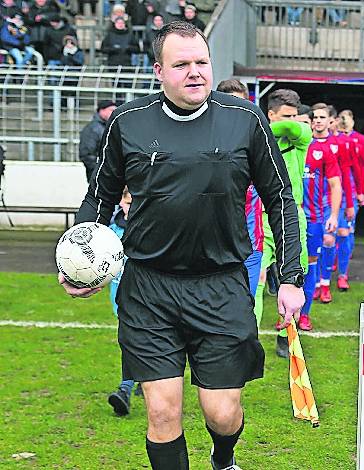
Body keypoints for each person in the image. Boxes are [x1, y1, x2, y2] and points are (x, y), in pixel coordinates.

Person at [60, 22, 306, 470]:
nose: (195, 73)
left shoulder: (245, 120)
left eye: (202, 63)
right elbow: (100, 195)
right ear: (159, 70)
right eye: (182, 65)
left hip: (221, 285)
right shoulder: (128, 123)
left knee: (223, 413)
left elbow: (281, 199)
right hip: (149, 288)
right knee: (162, 411)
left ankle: (223, 457)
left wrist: (289, 277)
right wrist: (80, 257)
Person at [264, 89, 312, 351]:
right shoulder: (259, 138)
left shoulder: (301, 134)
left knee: (294, 279)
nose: (294, 121)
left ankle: (287, 337)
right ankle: (246, 339)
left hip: (293, 216)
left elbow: (294, 131)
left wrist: (265, 126)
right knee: (254, 278)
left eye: (296, 115)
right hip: (261, 216)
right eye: (286, 116)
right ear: (271, 113)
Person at [300, 102, 342, 331]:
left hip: (313, 218)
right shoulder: (282, 147)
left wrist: (334, 215)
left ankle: (304, 314)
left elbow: (336, 184)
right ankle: (285, 312)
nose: (314, 122)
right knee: (281, 266)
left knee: (309, 264)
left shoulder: (322, 150)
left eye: (315, 119)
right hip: (285, 216)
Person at [317, 104, 359, 302]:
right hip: (314, 200)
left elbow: (346, 174)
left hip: (335, 199)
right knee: (320, 242)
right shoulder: (307, 143)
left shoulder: (340, 144)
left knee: (338, 236)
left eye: (328, 119)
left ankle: (340, 276)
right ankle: (317, 282)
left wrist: (350, 203)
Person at [107, 187, 140, 416]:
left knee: (132, 342)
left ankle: (125, 390)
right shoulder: (111, 230)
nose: (131, 208)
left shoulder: (148, 229)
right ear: (121, 201)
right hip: (120, 299)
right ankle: (148, 379)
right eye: (129, 203)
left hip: (144, 298)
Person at [334, 109, 364, 291]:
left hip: (347, 191)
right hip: (323, 195)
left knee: (345, 231)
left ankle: (342, 273)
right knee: (326, 237)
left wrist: (362, 190)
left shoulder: (354, 141)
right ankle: (321, 280)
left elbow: (361, 165)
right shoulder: (317, 143)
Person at [78, 100, 117, 182]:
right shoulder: (92, 129)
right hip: (100, 174)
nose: (114, 113)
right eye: (111, 110)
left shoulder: (111, 127)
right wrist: (101, 168)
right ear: (102, 110)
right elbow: (86, 154)